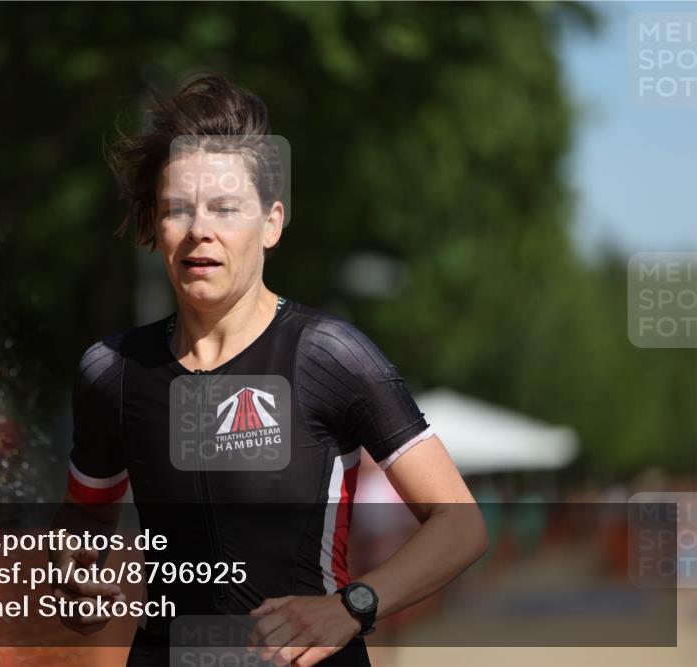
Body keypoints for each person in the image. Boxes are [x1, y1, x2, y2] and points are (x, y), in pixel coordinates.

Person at [51, 74, 488, 667]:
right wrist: (71, 579)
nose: (200, 229)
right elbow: (82, 518)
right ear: (155, 226)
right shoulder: (113, 371)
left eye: (226, 209)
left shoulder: (329, 355)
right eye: (179, 209)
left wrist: (351, 606)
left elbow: (460, 527)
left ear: (272, 222)